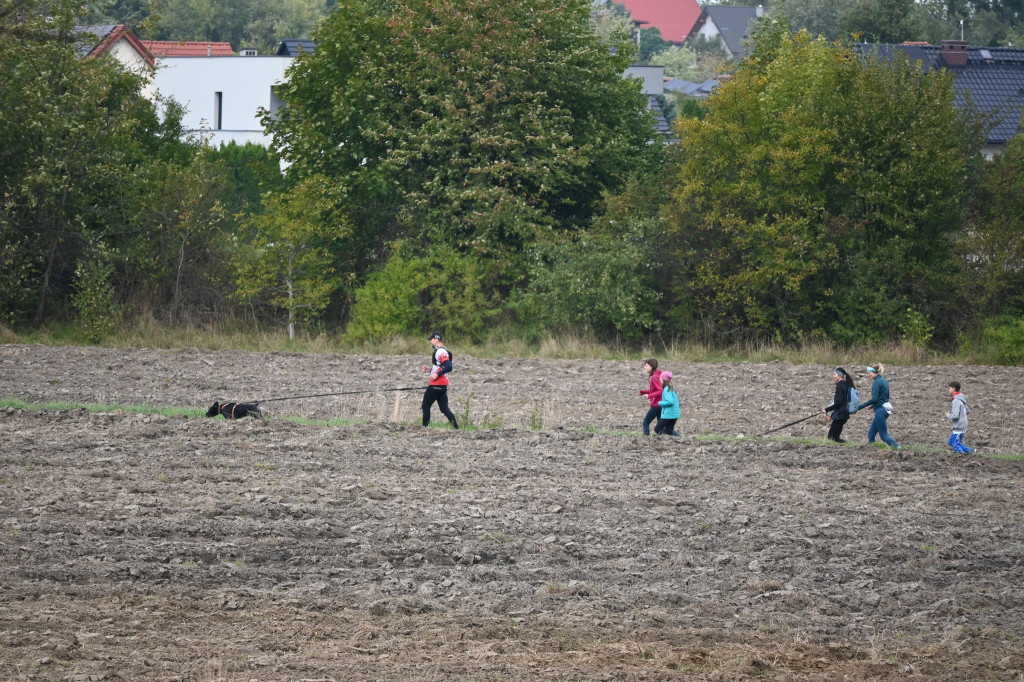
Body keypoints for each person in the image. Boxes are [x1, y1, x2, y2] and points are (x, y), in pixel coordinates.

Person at [857, 363, 899, 449]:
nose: (868, 374)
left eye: (869, 373)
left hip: (880, 411)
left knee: (884, 436)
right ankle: (871, 450)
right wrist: (872, 406)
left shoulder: (876, 382)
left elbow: (875, 399)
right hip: (883, 410)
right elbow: (882, 398)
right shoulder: (884, 381)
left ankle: (898, 448)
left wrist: (860, 407)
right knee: (871, 434)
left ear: (875, 372)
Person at [421, 332, 459, 429]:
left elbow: (449, 366)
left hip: (435, 385)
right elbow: (441, 366)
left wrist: (436, 374)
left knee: (425, 406)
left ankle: (424, 428)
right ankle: (457, 428)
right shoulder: (444, 350)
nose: (430, 341)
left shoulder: (440, 351)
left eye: (431, 339)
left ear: (436, 339)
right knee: (444, 409)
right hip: (443, 385)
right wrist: (430, 370)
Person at [822, 367, 854, 443]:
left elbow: (838, 403)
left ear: (839, 375)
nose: (833, 376)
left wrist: (826, 409)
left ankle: (846, 446)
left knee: (832, 438)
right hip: (844, 414)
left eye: (834, 374)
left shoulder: (840, 386)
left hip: (840, 415)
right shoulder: (846, 385)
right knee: (835, 438)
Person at [945, 381, 976, 455]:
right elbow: (968, 410)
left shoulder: (956, 401)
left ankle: (961, 456)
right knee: (952, 442)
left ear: (953, 389)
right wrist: (962, 416)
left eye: (949, 388)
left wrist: (948, 415)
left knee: (954, 443)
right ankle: (970, 451)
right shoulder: (961, 399)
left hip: (959, 425)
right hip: (963, 424)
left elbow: (955, 416)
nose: (949, 390)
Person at [638, 358, 663, 436]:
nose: (644, 367)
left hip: (656, 404)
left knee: (646, 422)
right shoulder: (657, 375)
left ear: (651, 366)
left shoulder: (654, 377)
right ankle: (674, 437)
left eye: (646, 365)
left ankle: (646, 439)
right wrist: (643, 392)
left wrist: (649, 395)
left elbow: (660, 391)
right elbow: (654, 390)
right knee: (660, 427)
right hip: (661, 404)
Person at [654, 371, 680, 436]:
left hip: (669, 414)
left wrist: (660, 403)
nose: (659, 380)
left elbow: (670, 402)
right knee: (669, 431)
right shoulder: (671, 388)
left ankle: (665, 439)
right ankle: (680, 439)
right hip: (674, 414)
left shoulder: (666, 389)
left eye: (660, 379)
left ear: (664, 380)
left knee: (657, 429)